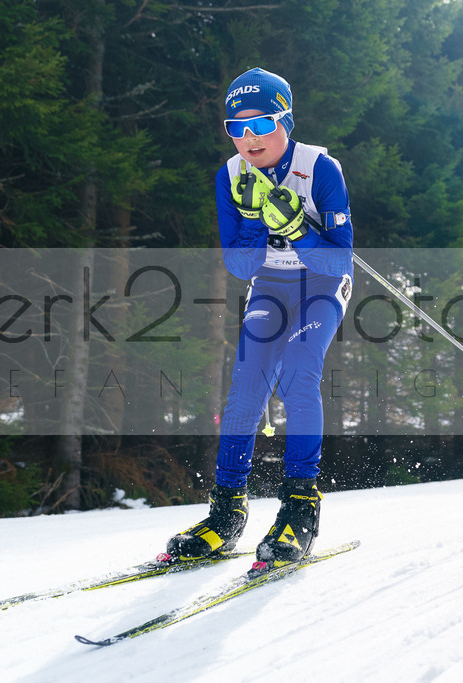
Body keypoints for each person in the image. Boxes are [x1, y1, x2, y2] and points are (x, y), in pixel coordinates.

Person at [167, 68, 354, 569]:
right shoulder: (229, 176)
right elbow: (242, 266)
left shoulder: (320, 169)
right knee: (247, 386)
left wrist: (298, 228)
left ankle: (300, 508)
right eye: (236, 127)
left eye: (261, 124)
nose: (248, 139)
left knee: (297, 371)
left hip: (320, 286)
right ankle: (226, 513)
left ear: (286, 120)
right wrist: (253, 219)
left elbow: (340, 261)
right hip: (269, 285)